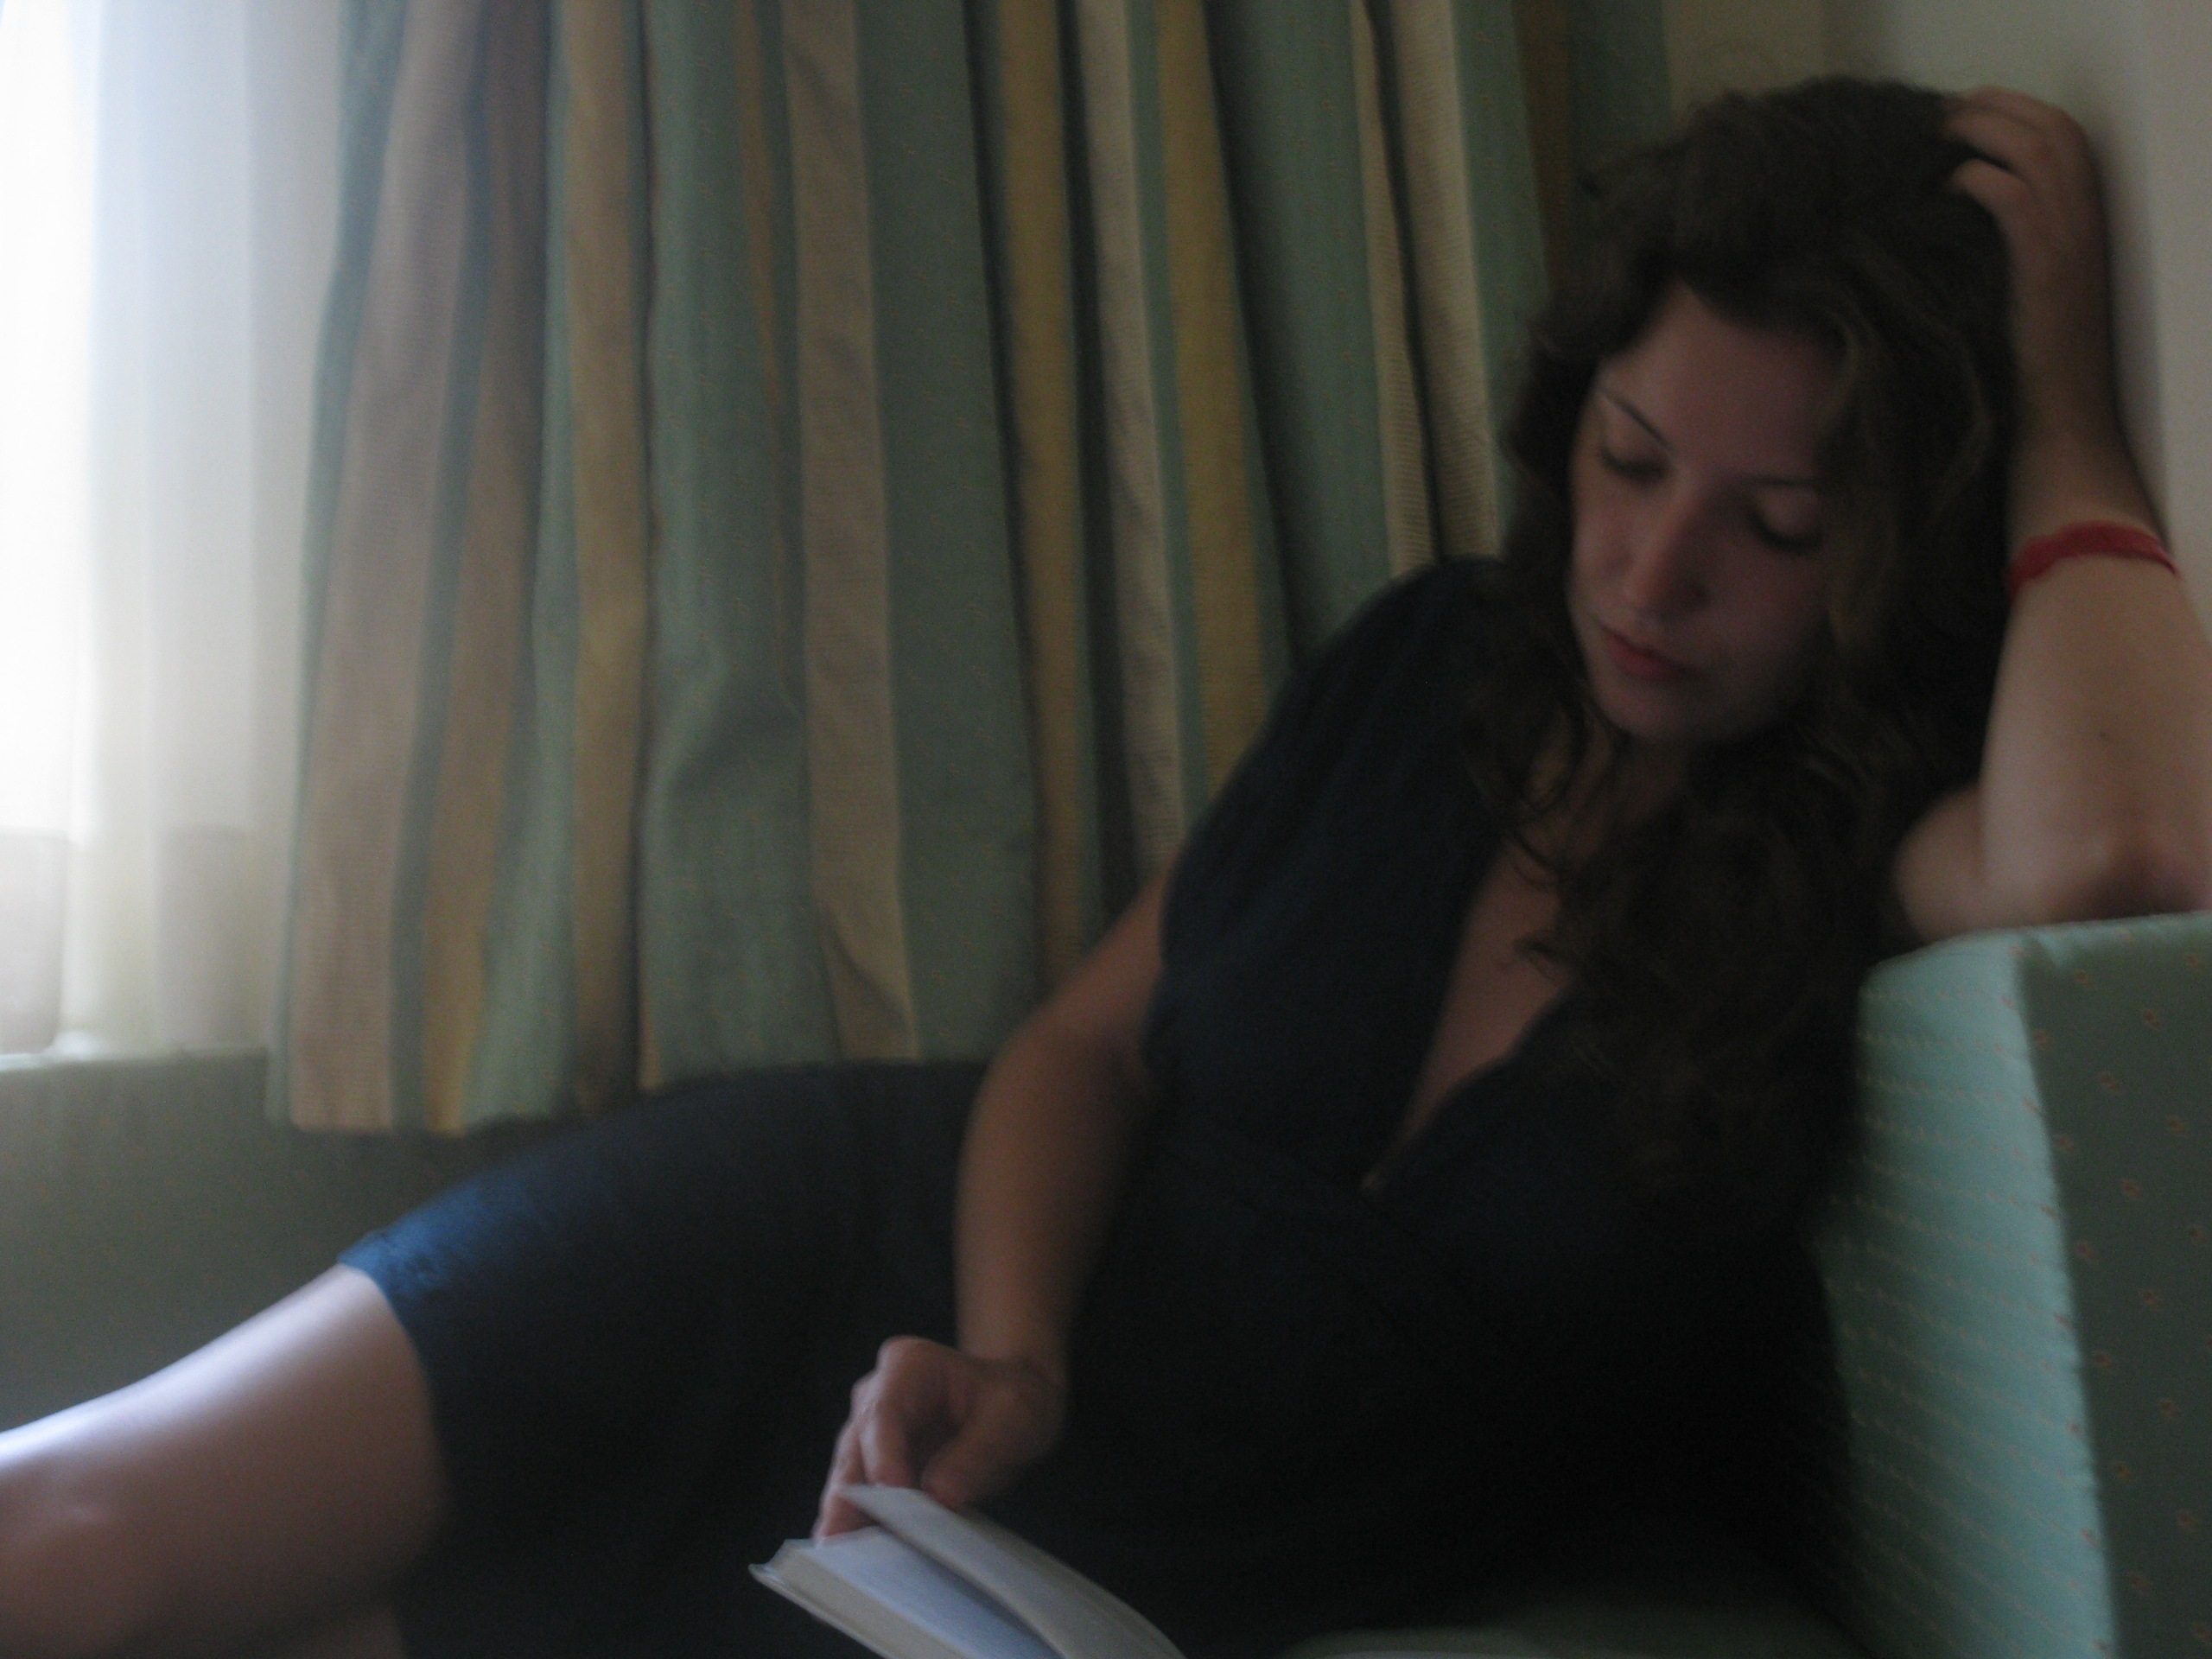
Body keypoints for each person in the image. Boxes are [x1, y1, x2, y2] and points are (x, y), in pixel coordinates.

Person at [5, 75, 2210, 1659]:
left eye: (1777, 527)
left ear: (1896, 541)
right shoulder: (1436, 660)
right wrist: (1015, 1349)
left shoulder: (1862, 840)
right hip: (861, 1275)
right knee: (69, 1535)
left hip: (1085, 1564)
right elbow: (1081, 1046)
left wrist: (2062, 420)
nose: (1649, 572)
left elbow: (2119, 846)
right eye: (1629, 463)